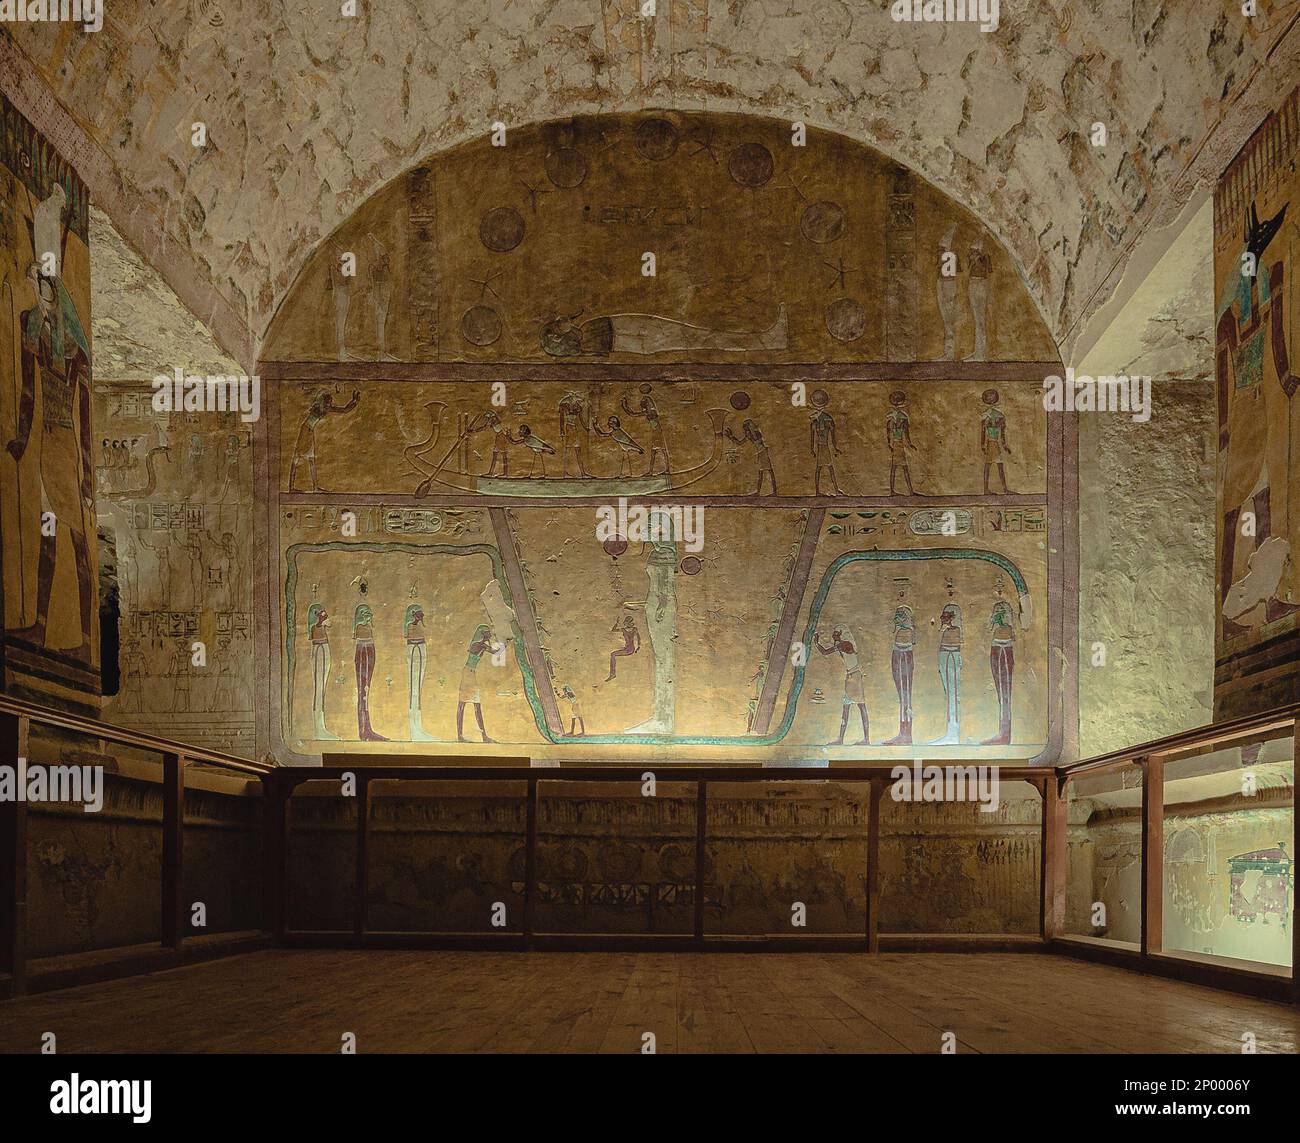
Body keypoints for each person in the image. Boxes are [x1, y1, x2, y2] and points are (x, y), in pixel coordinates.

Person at [814, 624, 869, 745]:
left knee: (860, 706)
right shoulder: (843, 644)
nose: (834, 636)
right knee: (847, 707)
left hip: (854, 677)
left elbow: (825, 652)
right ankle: (841, 739)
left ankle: (865, 739)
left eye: (836, 634)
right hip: (851, 677)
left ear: (841, 633)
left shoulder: (845, 644)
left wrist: (816, 643)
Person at [352, 604, 387, 741]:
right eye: (366, 614)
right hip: (363, 648)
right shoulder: (359, 626)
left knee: (366, 690)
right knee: (363, 691)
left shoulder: (367, 628)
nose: (369, 616)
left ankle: (367, 729)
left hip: (369, 646)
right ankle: (363, 730)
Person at [983, 600, 1015, 746]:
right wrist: (994, 618)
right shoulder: (996, 611)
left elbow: (1012, 629)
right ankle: (1003, 733)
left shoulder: (1007, 612)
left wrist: (1002, 619)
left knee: (1005, 691)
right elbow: (989, 628)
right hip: (996, 647)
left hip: (1005, 647)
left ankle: (1005, 733)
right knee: (1000, 690)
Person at [456, 624, 497, 743]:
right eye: (487, 633)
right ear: (483, 634)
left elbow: (495, 652)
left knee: (476, 705)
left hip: (470, 673)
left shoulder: (481, 645)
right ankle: (460, 736)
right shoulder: (478, 645)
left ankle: (484, 737)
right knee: (462, 704)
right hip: (468, 674)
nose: (489, 635)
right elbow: (495, 652)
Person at [931, 603, 963, 745]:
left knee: (953, 694)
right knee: (948, 693)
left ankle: (953, 733)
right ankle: (950, 732)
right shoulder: (944, 630)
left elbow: (958, 640)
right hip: (945, 655)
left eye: (945, 616)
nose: (942, 619)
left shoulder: (956, 629)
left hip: (952, 655)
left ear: (952, 617)